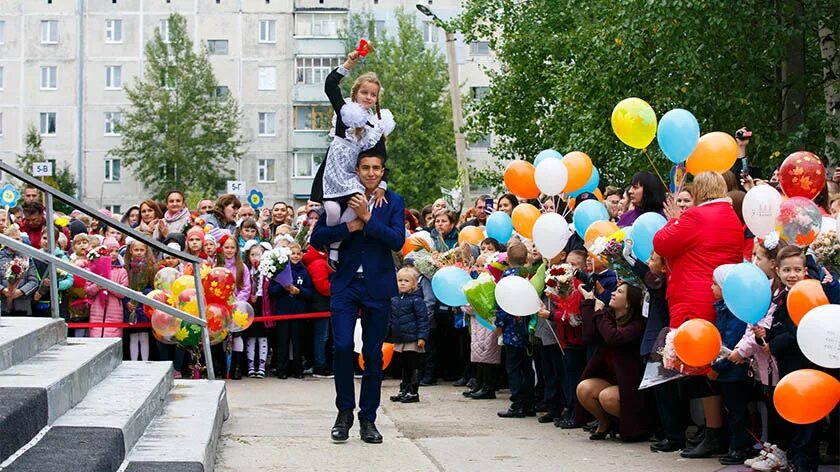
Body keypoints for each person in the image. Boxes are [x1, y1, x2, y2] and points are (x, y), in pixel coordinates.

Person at [310, 148, 405, 445]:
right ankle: (344, 413)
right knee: (340, 345)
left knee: (373, 354)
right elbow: (317, 238)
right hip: (346, 284)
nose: (371, 173)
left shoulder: (393, 201)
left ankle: (368, 419)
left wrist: (368, 217)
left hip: (377, 285)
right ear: (357, 170)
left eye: (377, 168)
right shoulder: (340, 197)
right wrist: (351, 224)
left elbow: (397, 240)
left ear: (382, 171)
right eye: (365, 167)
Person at [654, 171, 743, 459]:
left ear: (701, 192)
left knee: (700, 366)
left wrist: (674, 220)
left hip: (692, 297)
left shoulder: (695, 218)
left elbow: (662, 243)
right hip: (718, 295)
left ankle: (714, 432)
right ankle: (715, 430)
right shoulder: (731, 218)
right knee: (714, 365)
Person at [309, 49, 395, 271]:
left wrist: (382, 185)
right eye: (364, 92)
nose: (368, 97)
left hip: (351, 172)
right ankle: (329, 243)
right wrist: (348, 63)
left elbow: (381, 157)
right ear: (356, 93)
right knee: (334, 212)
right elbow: (330, 86)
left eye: (373, 94)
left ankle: (335, 248)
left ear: (377, 98)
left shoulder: (376, 125)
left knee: (357, 205)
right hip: (334, 167)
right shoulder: (346, 111)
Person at [576, 282, 651, 442]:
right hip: (610, 379)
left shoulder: (638, 325)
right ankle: (605, 423)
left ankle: (634, 426)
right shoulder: (608, 316)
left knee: (606, 397)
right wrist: (589, 302)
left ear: (629, 302)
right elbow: (589, 335)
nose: (613, 294)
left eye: (619, 292)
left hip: (630, 386)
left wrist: (599, 313)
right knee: (584, 388)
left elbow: (613, 338)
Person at [495, 242, 536, 418]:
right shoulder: (529, 275)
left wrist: (499, 326)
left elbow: (502, 305)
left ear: (508, 260)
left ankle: (517, 403)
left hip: (512, 329)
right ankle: (529, 403)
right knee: (527, 367)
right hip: (528, 327)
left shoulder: (507, 279)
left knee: (513, 368)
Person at [269, 242, 313, 379]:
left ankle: (298, 370)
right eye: (292, 253)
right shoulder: (280, 270)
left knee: (297, 342)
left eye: (298, 253)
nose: (295, 256)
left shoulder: (304, 272)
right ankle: (282, 370)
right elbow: (272, 291)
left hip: (298, 312)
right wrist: (284, 286)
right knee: (282, 342)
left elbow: (310, 292)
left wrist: (298, 291)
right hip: (283, 312)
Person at [387, 267, 429, 404]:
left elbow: (423, 320)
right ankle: (403, 389)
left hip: (413, 338)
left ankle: (413, 391)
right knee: (404, 365)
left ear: (414, 284)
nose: (402, 283)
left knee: (413, 364)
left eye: (406, 281)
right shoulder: (394, 299)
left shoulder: (417, 300)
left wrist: (422, 337)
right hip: (400, 338)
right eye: (400, 280)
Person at [217, 231, 251, 379]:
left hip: (237, 307)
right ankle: (224, 367)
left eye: (232, 247)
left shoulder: (242, 267)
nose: (229, 250)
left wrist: (237, 303)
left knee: (236, 336)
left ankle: (237, 367)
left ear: (237, 249)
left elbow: (246, 288)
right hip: (220, 307)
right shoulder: (217, 266)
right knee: (223, 336)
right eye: (226, 247)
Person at [86, 237, 128, 338]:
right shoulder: (94, 268)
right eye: (110, 251)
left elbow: (123, 293)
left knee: (112, 340)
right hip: (97, 311)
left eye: (116, 251)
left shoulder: (122, 271)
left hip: (115, 313)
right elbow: (88, 291)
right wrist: (97, 286)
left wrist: (108, 285)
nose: (113, 253)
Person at [124, 239, 156, 361]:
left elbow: (151, 287)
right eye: (136, 250)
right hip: (131, 306)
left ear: (146, 251)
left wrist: (143, 295)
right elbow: (123, 286)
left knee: (143, 336)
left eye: (141, 250)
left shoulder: (150, 268)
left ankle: (145, 361)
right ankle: (133, 361)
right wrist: (127, 301)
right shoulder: (126, 268)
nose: (139, 252)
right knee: (133, 336)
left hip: (143, 305)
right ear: (131, 251)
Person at [0, 226, 40, 316]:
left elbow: (34, 281)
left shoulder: (27, 257)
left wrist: (20, 292)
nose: (17, 242)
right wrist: (4, 290)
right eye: (14, 239)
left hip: (23, 305)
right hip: (3, 305)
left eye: (19, 239)